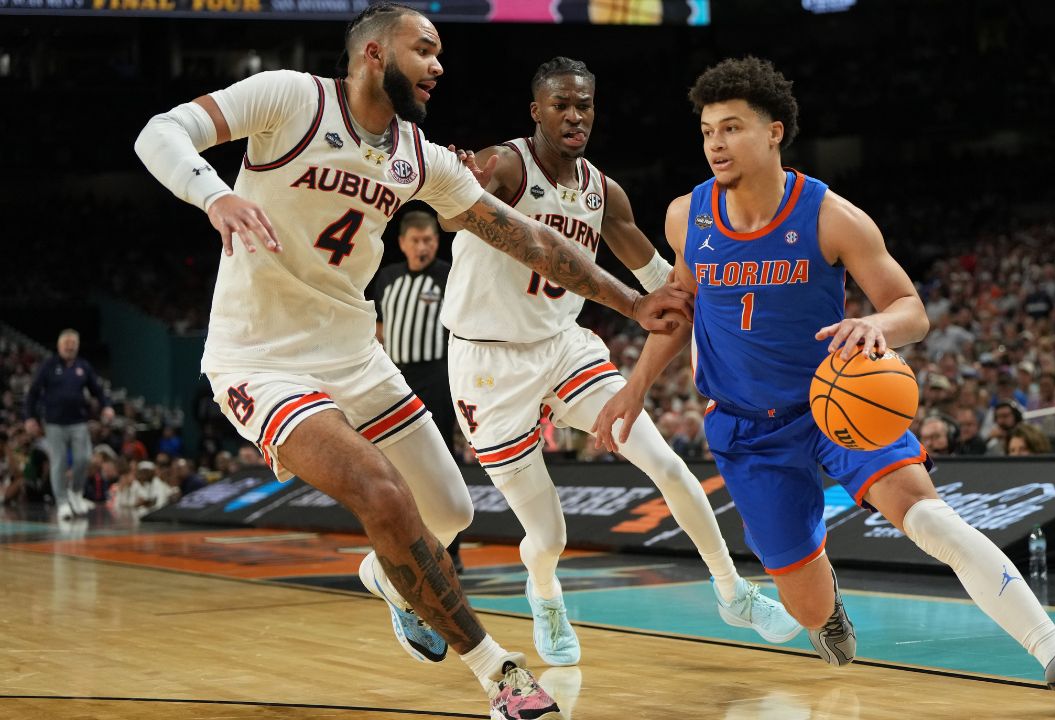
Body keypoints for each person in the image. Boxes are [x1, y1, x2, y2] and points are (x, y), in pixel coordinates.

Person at [133, 5, 688, 716]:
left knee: (450, 511)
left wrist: (631, 304)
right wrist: (214, 196)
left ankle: (389, 578)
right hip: (260, 359)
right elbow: (163, 131)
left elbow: (532, 241)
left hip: (354, 355)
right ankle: (501, 675)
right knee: (384, 495)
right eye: (424, 49)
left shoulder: (416, 157)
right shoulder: (292, 98)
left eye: (440, 53)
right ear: (372, 52)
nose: (438, 65)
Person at [593, 57, 1055, 719]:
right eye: (707, 130)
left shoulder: (831, 217)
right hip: (745, 428)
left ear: (774, 133)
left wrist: (874, 324)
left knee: (932, 521)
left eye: (731, 128)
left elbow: (911, 307)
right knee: (806, 607)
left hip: (835, 405)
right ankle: (828, 607)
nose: (715, 143)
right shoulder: (687, 217)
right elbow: (680, 311)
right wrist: (636, 384)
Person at [439, 56, 799, 666]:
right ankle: (546, 594)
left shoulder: (601, 190)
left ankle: (732, 589)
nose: (575, 115)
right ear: (537, 112)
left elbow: (658, 278)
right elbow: (453, 215)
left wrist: (702, 299)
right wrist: (457, 184)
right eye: (562, 104)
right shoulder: (503, 165)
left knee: (669, 465)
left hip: (563, 347)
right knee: (548, 534)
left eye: (585, 105)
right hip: (488, 363)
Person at [372, 209, 466, 571]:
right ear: (402, 243)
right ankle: (403, 545)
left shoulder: (448, 275)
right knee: (393, 462)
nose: (423, 246)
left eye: (429, 239)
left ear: (437, 241)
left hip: (437, 374)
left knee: (439, 460)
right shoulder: (387, 277)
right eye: (416, 240)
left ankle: (449, 551)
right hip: (395, 376)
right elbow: (379, 324)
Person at [23, 329, 116, 520]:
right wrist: (29, 417)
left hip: (78, 422)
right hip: (54, 423)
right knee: (59, 462)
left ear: (78, 345)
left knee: (84, 459)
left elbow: (97, 390)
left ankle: (76, 491)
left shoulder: (83, 366)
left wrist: (106, 407)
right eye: (66, 342)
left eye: (73, 342)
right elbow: (33, 393)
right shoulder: (48, 366)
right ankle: (63, 502)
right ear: (59, 345)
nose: (69, 346)